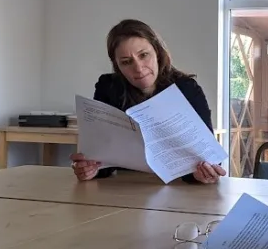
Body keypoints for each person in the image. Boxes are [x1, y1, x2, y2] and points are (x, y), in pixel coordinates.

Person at [71, 19, 225, 184]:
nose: (138, 68)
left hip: (176, 188)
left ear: (157, 53)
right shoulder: (109, 88)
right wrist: (90, 169)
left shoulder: (187, 89)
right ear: (117, 66)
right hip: (125, 188)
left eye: (144, 55)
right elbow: (103, 158)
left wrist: (202, 174)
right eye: (126, 62)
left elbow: (208, 156)